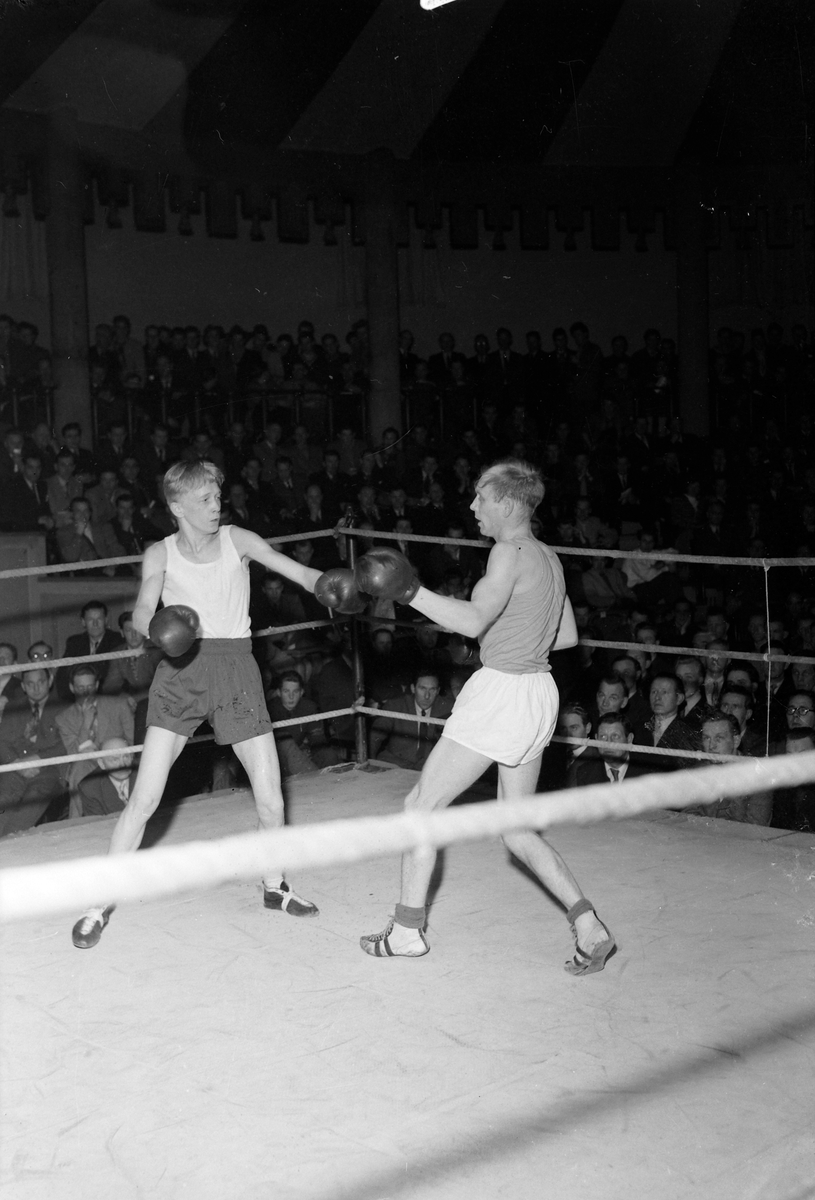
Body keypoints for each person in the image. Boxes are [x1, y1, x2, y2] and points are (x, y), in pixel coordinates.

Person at [355, 458, 615, 975]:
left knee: (420, 806)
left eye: (480, 496)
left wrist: (410, 592)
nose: (472, 506)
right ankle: (590, 926)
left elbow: (474, 621)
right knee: (516, 829)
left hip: (502, 692)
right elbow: (564, 638)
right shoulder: (549, 557)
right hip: (541, 693)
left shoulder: (506, 553)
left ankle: (407, 931)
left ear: (506, 502)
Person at [70, 459, 327, 950]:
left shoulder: (239, 540)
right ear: (176, 506)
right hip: (182, 668)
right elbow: (145, 606)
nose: (217, 505)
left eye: (217, 496)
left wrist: (330, 584)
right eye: (206, 499)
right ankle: (98, 902)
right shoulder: (160, 553)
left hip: (236, 670)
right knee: (144, 799)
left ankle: (275, 886)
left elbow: (295, 569)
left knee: (271, 797)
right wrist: (155, 629)